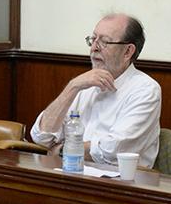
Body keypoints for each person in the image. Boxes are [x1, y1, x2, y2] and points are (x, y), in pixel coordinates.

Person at [30, 13, 161, 168]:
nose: (94, 48)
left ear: (128, 52)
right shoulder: (85, 84)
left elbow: (113, 150)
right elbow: (41, 136)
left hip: (120, 184)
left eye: (104, 42)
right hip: (71, 175)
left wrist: (62, 150)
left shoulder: (145, 89)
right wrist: (72, 87)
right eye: (93, 39)